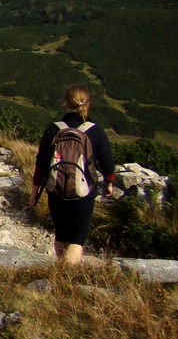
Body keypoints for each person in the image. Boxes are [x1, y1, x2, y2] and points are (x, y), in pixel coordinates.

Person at [29, 85, 115, 264]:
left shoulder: (54, 129)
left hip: (56, 190)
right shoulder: (95, 131)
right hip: (84, 192)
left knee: (61, 232)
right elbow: (107, 163)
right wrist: (109, 182)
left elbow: (41, 164)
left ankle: (61, 268)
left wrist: (35, 191)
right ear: (88, 104)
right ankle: (66, 277)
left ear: (65, 103)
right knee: (77, 237)